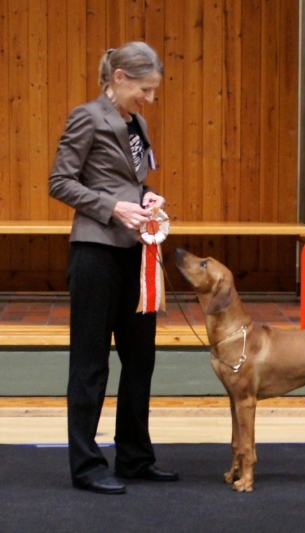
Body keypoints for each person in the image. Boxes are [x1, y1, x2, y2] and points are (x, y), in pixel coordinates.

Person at [49, 42, 178, 495]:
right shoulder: (87, 116)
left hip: (136, 253)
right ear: (119, 77)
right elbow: (60, 181)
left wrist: (147, 197)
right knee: (90, 362)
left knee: (140, 359)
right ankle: (86, 465)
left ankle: (135, 457)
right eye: (144, 89)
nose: (149, 99)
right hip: (96, 251)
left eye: (154, 91)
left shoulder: (137, 122)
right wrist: (113, 208)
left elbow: (134, 179)